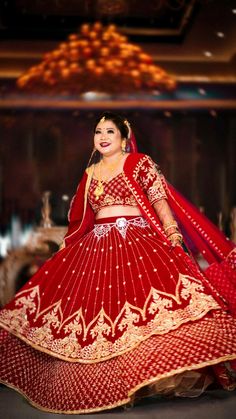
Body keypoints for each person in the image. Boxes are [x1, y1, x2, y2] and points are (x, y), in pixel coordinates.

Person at [0, 112, 236, 414]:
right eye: (98, 131)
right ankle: (105, 382)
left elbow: (159, 198)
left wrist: (172, 231)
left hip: (139, 243)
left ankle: (154, 377)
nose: (102, 136)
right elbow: (80, 220)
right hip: (95, 248)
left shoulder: (138, 163)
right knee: (94, 313)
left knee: (152, 309)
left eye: (109, 131)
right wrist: (65, 248)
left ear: (124, 137)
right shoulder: (91, 172)